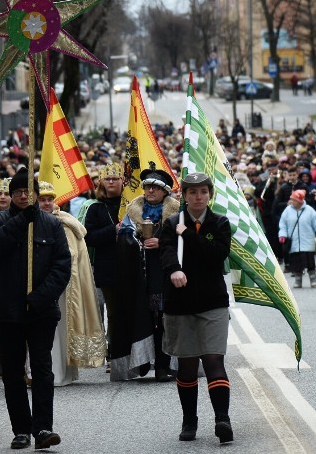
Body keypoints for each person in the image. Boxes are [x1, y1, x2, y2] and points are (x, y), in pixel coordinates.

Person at [0, 168, 71, 450]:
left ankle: (43, 427)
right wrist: (21, 221)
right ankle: (21, 429)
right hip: (8, 311)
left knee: (42, 368)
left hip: (41, 310)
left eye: (28, 192)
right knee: (12, 370)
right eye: (18, 192)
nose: (23, 196)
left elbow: (62, 265)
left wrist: (41, 296)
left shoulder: (51, 224)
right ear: (10, 195)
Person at [159, 173, 234, 444]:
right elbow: (165, 253)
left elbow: (215, 255)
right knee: (187, 365)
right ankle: (189, 419)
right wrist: (174, 270)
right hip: (180, 304)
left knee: (214, 360)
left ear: (210, 195)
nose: (198, 197)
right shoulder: (171, 223)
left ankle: (222, 419)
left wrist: (188, 234)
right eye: (192, 192)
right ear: (184, 196)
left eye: (203, 191)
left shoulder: (220, 223)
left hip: (212, 302)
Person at [113, 168, 180, 381]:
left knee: (165, 319)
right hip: (140, 276)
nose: (150, 191)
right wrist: (135, 242)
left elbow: (185, 241)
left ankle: (163, 365)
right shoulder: (132, 212)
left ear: (164, 191)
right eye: (147, 187)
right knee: (143, 318)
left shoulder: (177, 213)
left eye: (155, 187)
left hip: (166, 275)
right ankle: (142, 363)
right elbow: (123, 240)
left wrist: (162, 242)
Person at [36, 181, 105, 386]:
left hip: (62, 285)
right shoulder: (28, 222)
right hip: (38, 283)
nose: (47, 204)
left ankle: (58, 373)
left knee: (60, 328)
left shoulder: (66, 223)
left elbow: (73, 255)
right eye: (42, 200)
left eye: (50, 199)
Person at [82, 162, 123, 367]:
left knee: (129, 311)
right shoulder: (96, 208)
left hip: (131, 266)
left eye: (115, 178)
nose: (112, 182)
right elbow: (89, 237)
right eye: (108, 178)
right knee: (113, 312)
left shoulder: (131, 204)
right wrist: (112, 231)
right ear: (102, 183)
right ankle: (113, 352)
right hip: (107, 267)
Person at [278, 190, 316, 288]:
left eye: (294, 200)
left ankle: (313, 278)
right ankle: (298, 279)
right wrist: (282, 235)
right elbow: (283, 224)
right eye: (291, 199)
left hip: (308, 240)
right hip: (294, 242)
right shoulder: (287, 211)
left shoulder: (309, 210)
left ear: (300, 201)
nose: (292, 202)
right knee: (296, 262)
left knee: (310, 261)